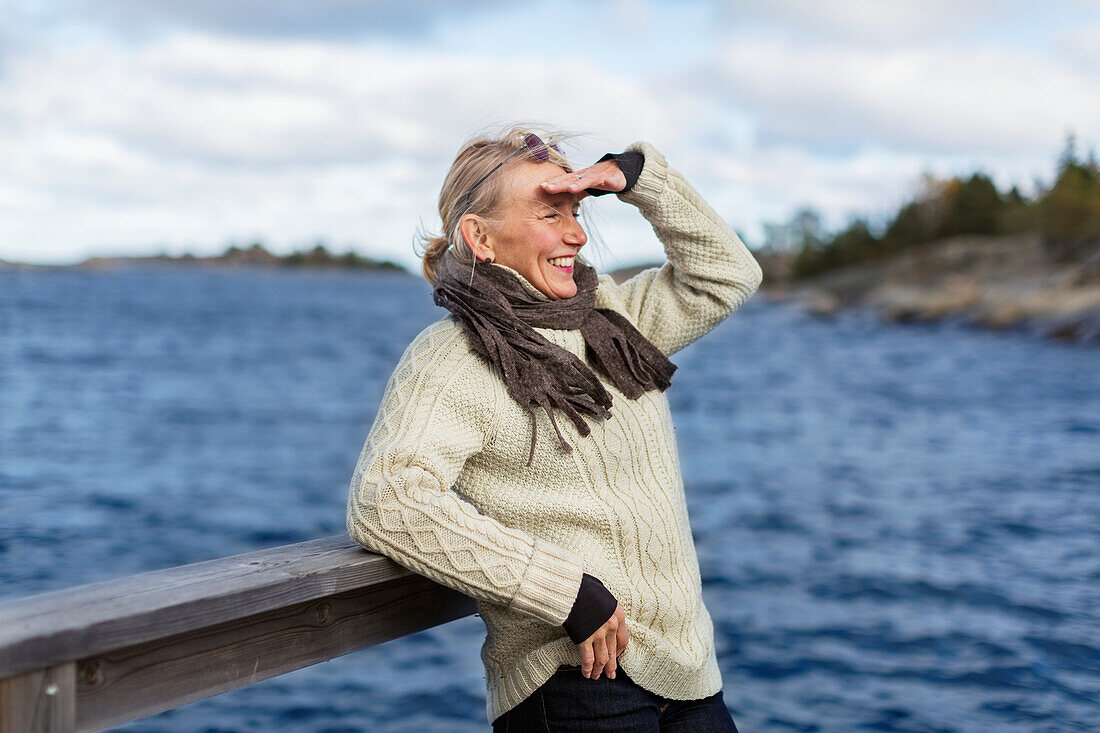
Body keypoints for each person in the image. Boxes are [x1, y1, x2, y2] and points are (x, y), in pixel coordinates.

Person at [346, 124, 763, 732]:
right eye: (549, 214)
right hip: (574, 688)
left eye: (576, 210)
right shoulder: (454, 355)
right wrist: (565, 591)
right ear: (479, 238)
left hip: (691, 675)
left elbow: (726, 275)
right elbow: (389, 500)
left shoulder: (614, 317)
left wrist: (640, 180)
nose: (576, 233)